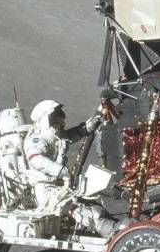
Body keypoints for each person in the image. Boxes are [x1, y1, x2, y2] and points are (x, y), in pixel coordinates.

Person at [23, 99, 116, 236]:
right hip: (45, 189)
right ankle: (112, 232)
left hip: (60, 186)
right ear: (45, 120)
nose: (61, 123)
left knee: (90, 205)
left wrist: (92, 122)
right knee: (76, 208)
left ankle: (111, 226)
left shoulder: (58, 137)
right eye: (56, 120)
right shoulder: (37, 140)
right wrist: (61, 171)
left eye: (61, 119)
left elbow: (76, 133)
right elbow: (36, 159)